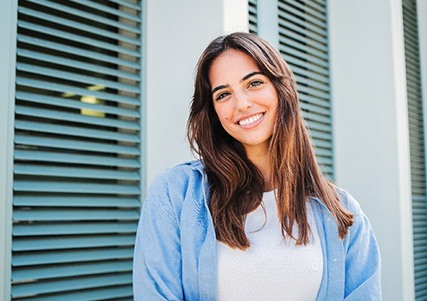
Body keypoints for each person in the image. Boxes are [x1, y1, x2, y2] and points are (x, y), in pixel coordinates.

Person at [133, 32, 381, 301]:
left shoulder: (341, 212)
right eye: (223, 94)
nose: (242, 104)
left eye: (254, 83)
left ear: (281, 89)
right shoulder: (174, 196)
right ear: (214, 111)